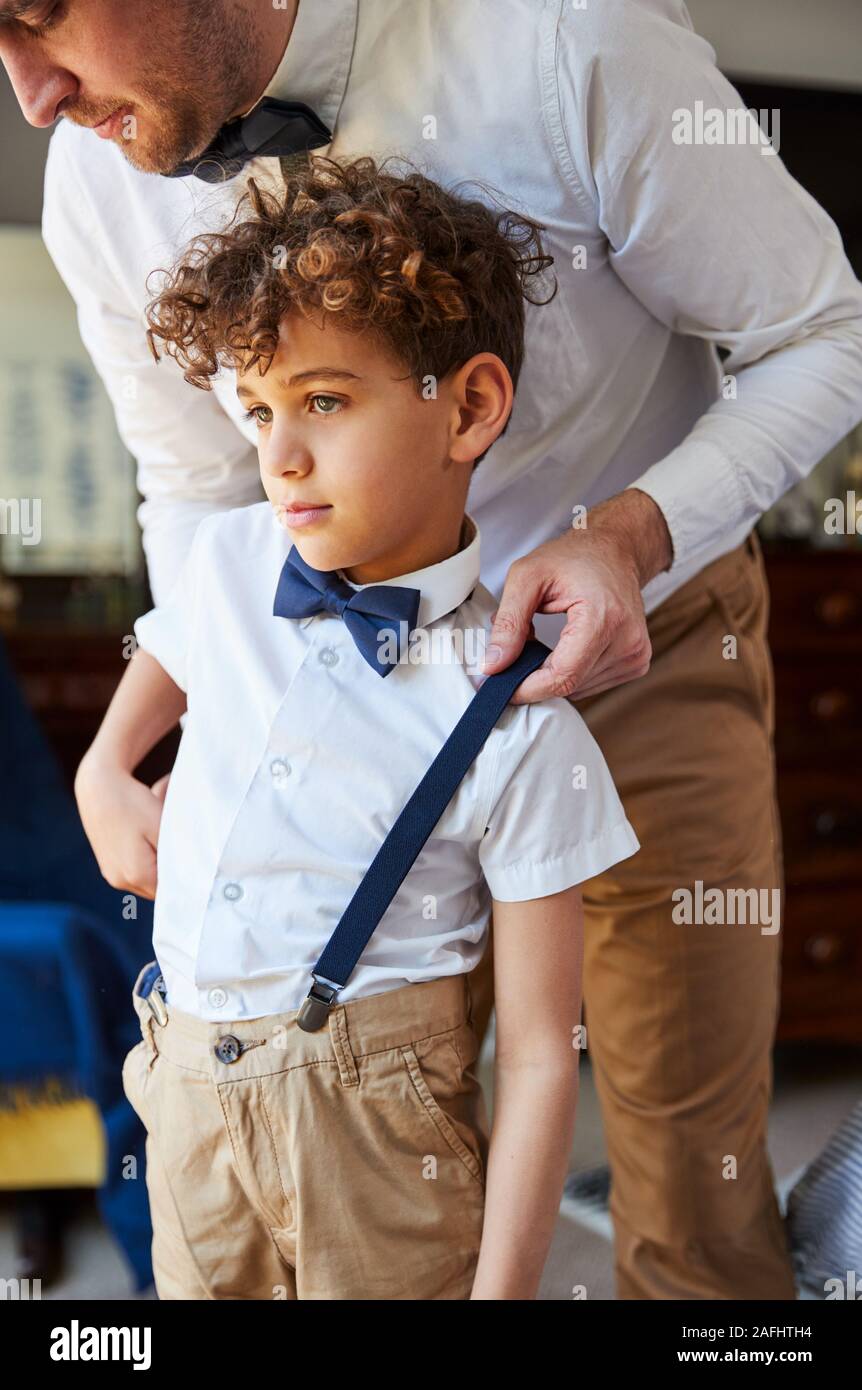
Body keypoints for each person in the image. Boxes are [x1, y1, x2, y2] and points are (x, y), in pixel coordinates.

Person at [5, 0, 862, 1297]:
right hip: (330, 683)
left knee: (692, 1196)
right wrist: (182, 730)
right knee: (359, 1144)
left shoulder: (570, 40)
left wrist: (630, 537)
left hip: (635, 640)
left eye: (35, 16)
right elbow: (194, 490)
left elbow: (827, 329)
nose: (29, 94)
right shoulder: (95, 178)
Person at [73, 154, 641, 1299]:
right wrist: (101, 779)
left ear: (466, 407)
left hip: (379, 1147)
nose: (279, 455)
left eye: (323, 402)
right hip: (182, 1097)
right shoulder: (232, 562)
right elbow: (134, 714)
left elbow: (537, 1059)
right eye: (259, 410)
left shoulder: (518, 724)